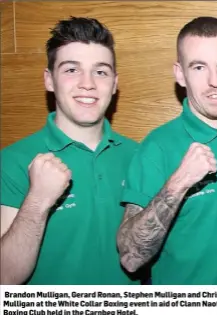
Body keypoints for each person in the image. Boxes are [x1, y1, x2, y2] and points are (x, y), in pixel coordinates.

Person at [117, 16, 217, 314]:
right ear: (180, 74)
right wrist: (178, 183)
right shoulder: (157, 147)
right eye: (199, 67)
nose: (215, 80)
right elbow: (131, 257)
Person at [0, 17, 139, 285]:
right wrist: (38, 200)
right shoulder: (11, 162)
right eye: (71, 70)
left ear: (114, 83)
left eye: (100, 72)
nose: (87, 83)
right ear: (49, 80)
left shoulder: (140, 157)